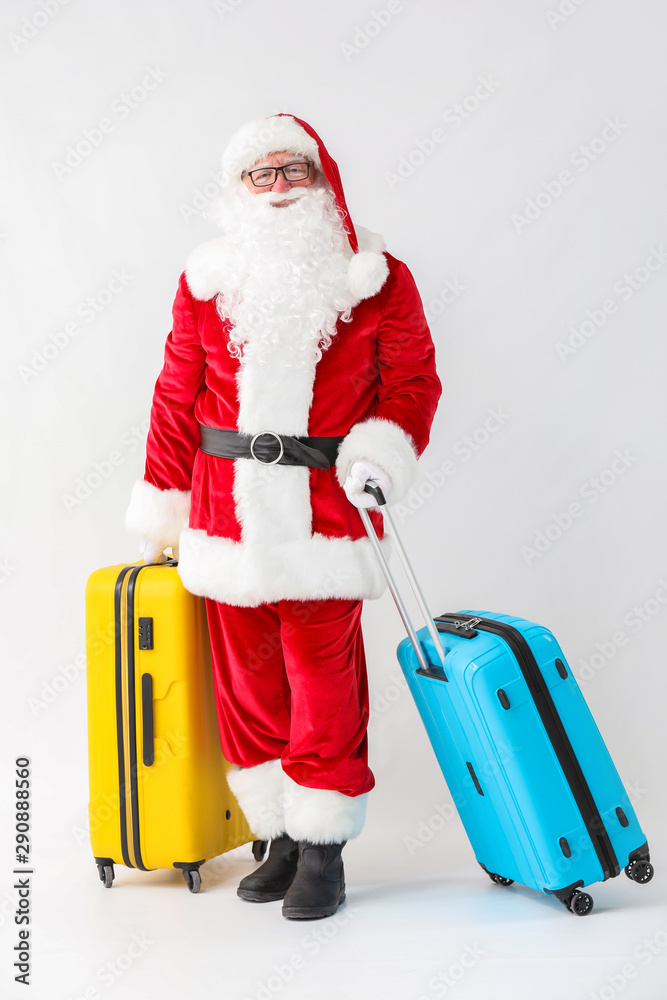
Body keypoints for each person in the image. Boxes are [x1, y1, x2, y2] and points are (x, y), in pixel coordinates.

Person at [124, 113, 441, 919]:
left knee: (322, 681)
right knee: (248, 685)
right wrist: (162, 504)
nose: (275, 189)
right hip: (223, 511)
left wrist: (377, 456)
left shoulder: (375, 275)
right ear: (237, 191)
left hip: (322, 513)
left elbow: (412, 382)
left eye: (290, 171)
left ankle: (324, 846)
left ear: (322, 180)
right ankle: (277, 835)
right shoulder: (205, 279)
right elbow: (174, 396)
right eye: (258, 176)